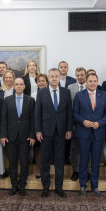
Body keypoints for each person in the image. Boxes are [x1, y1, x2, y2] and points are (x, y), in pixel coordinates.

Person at [73, 73, 106, 197]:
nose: (92, 83)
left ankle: (95, 186)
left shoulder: (104, 95)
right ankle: (83, 185)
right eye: (90, 81)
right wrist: (83, 121)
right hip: (83, 132)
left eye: (95, 81)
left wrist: (99, 123)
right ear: (86, 82)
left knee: (96, 160)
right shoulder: (79, 95)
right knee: (83, 160)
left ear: (97, 82)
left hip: (98, 133)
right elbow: (75, 113)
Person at [35, 68, 72, 198]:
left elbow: (69, 113)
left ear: (59, 77)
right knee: (45, 162)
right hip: (45, 132)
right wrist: (38, 130)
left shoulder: (66, 92)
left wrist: (69, 129)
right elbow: (37, 113)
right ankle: (45, 187)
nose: (55, 78)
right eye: (52, 76)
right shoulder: (41, 93)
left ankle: (59, 187)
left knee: (59, 161)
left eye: (57, 76)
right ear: (48, 78)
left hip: (61, 132)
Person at [1, 78, 36, 196]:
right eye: (17, 84)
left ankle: (22, 185)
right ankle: (14, 185)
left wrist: (32, 135)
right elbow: (4, 119)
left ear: (24, 86)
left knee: (25, 162)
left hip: (26, 137)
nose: (19, 86)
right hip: (11, 137)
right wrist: (3, 135)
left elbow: (33, 120)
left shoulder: (30, 100)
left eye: (21, 84)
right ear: (14, 86)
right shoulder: (7, 100)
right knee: (12, 162)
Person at [67, 67, 87, 181]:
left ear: (85, 75)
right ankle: (76, 170)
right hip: (75, 123)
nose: (79, 77)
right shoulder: (70, 88)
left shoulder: (90, 87)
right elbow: (69, 106)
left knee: (87, 149)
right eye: (77, 75)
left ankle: (87, 171)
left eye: (81, 75)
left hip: (88, 123)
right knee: (75, 149)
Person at [31, 73, 48, 179]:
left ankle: (45, 170)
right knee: (38, 149)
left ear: (47, 82)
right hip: (37, 124)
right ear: (36, 83)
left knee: (47, 149)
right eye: (39, 81)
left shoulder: (50, 93)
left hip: (48, 125)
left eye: (43, 80)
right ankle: (38, 170)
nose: (41, 82)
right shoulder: (33, 95)